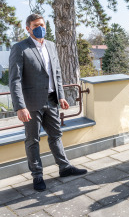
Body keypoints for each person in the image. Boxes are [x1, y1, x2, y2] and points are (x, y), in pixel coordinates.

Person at [9, 14, 87, 191]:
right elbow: (14, 80)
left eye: (42, 24)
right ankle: (37, 175)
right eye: (36, 25)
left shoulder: (51, 45)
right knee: (32, 140)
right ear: (28, 28)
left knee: (56, 135)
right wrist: (20, 106)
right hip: (31, 102)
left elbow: (56, 73)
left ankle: (64, 167)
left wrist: (60, 96)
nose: (40, 27)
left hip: (51, 99)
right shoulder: (20, 48)